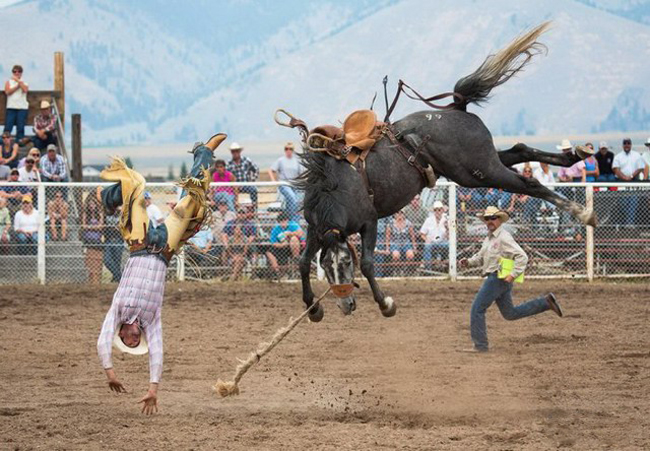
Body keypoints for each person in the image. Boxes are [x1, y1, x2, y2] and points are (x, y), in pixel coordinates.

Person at [97, 133, 226, 415]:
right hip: (165, 249)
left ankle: (108, 197)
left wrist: (110, 373)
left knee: (137, 186)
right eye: (134, 342)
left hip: (140, 243)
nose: (133, 340)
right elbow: (158, 353)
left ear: (120, 334)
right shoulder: (151, 321)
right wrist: (153, 389)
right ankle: (203, 153)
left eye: (128, 341)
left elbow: (101, 341)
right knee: (192, 203)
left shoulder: (117, 312)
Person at [459, 206, 563, 353]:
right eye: (487, 219)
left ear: (499, 220)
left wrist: (513, 274)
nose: (490, 221)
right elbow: (481, 257)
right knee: (510, 314)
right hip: (500, 278)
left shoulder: (503, 237)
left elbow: (522, 256)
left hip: (497, 278)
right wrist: (468, 262)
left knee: (477, 309)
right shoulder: (490, 237)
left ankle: (480, 345)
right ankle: (545, 302)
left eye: (493, 218)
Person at [612, 138, 646, 225]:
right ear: (622, 145)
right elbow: (615, 169)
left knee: (633, 202)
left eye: (628, 143)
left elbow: (640, 168)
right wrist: (624, 177)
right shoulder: (618, 156)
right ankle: (625, 223)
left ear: (631, 145)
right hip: (621, 182)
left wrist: (631, 176)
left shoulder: (637, 155)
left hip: (633, 182)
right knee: (622, 203)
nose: (627, 145)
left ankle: (630, 224)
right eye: (625, 143)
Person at [268, 142, 304, 220]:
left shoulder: (297, 161)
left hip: (295, 184)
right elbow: (271, 170)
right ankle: (291, 219)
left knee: (296, 201)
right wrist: (273, 181)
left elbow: (301, 173)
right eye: (286, 149)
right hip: (284, 184)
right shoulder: (280, 160)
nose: (288, 150)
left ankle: (291, 219)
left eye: (290, 149)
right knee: (292, 197)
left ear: (293, 150)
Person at [265, 211, 304, 279]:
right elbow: (273, 243)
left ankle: (296, 259)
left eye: (285, 221)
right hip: (282, 247)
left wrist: (289, 233)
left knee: (293, 239)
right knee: (268, 252)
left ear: (287, 220)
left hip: (296, 246)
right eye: (281, 221)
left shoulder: (293, 225)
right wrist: (282, 245)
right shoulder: (276, 229)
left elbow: (300, 233)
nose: (283, 223)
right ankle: (277, 272)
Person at [221, 206, 257, 281]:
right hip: (233, 244)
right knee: (225, 249)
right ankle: (230, 273)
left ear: (246, 214)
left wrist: (246, 243)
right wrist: (227, 245)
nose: (241, 214)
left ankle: (234, 276)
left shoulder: (250, 224)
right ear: (237, 214)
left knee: (253, 247)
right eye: (239, 213)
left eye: (243, 213)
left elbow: (252, 236)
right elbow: (224, 234)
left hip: (245, 243)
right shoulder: (230, 223)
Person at [226, 142, 259, 209]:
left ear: (239, 151)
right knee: (230, 195)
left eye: (236, 151)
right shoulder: (229, 163)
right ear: (231, 152)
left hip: (245, 184)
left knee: (254, 190)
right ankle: (234, 210)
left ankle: (254, 207)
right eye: (233, 151)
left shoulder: (246, 160)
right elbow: (227, 175)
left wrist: (252, 180)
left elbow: (256, 169)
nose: (235, 153)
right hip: (234, 186)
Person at [81, 194, 104, 283]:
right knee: (89, 262)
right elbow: (83, 226)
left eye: (93, 204)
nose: (92, 206)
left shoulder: (99, 214)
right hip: (88, 240)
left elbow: (100, 227)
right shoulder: (85, 214)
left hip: (97, 240)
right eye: (90, 204)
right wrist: (94, 227)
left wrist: (89, 227)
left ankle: (97, 281)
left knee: (97, 261)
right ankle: (90, 281)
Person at [385, 210, 417, 274]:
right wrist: (387, 248)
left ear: (404, 214)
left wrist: (414, 247)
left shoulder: (408, 223)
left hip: (406, 243)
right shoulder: (390, 224)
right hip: (395, 243)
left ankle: (407, 271)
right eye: (397, 213)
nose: (399, 215)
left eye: (401, 213)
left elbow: (412, 236)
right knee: (396, 255)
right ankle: (397, 271)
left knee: (410, 255)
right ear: (394, 214)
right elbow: (387, 237)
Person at [419, 200, 449, 270]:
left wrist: (447, 228)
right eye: (435, 210)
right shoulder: (429, 220)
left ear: (442, 210)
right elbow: (422, 233)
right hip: (432, 242)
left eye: (439, 209)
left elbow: (450, 236)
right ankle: (428, 268)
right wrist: (427, 240)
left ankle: (447, 265)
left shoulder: (447, 219)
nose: (437, 211)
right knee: (427, 245)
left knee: (449, 244)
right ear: (433, 211)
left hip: (443, 242)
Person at [4, 65, 29, 142]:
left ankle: (20, 141)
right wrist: (17, 86)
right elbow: (7, 92)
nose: (17, 73)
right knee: (8, 125)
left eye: (19, 71)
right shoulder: (8, 82)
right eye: (15, 71)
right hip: (11, 107)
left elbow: (25, 90)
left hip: (22, 108)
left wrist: (18, 81)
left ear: (21, 73)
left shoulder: (25, 82)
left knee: (20, 126)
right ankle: (4, 141)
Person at [102, 207, 124, 283]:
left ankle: (116, 279)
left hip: (118, 240)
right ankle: (120, 277)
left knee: (117, 263)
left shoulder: (121, 213)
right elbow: (104, 226)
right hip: (108, 239)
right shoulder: (106, 212)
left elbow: (123, 227)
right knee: (106, 260)